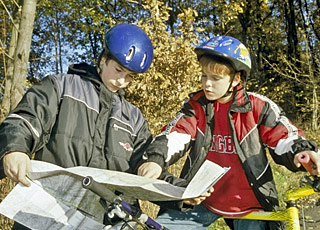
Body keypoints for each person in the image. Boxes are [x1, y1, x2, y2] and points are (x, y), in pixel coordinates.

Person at [141, 35, 320, 230]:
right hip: (201, 200)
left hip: (249, 205)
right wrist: (155, 159)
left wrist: (302, 153)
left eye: (216, 78)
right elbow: (175, 135)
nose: (207, 84)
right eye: (204, 75)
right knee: (154, 227)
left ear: (235, 79)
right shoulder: (196, 106)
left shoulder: (258, 106)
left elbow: (284, 136)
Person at [0, 23, 161, 229]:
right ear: (103, 60)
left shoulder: (134, 117)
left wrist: (184, 194)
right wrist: (15, 149)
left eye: (130, 76)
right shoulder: (61, 86)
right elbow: (23, 120)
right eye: (118, 70)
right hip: (45, 214)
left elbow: (150, 162)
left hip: (103, 222)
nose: (122, 81)